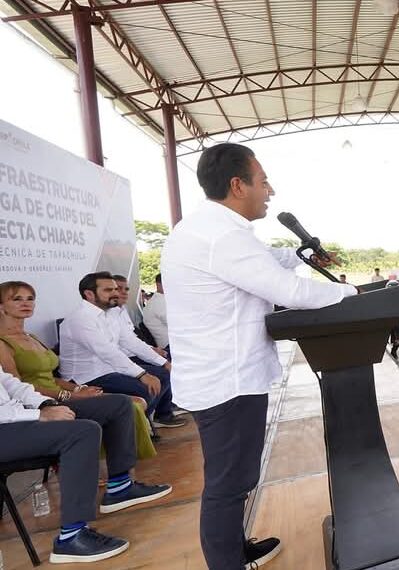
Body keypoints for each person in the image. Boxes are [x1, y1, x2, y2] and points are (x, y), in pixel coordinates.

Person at [161, 143, 358, 569]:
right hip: (227, 381)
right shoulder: (222, 236)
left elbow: (265, 261)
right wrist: (352, 293)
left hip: (222, 377)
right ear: (238, 185)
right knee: (228, 484)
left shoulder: (211, 229)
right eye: (263, 181)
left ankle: (235, 549)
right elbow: (289, 291)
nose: (270, 190)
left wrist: (302, 255)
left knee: (233, 478)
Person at [0, 371, 173, 564]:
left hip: (17, 415)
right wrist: (38, 415)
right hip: (6, 428)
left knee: (118, 404)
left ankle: (120, 487)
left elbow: (9, 383)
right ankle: (71, 537)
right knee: (83, 433)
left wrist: (45, 404)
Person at [0, 281, 156, 459]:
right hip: (41, 402)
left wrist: (78, 388)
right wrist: (71, 395)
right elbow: (17, 388)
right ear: (1, 306)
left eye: (30, 299)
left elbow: (49, 377)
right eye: (17, 299)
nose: (26, 303)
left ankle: (122, 466)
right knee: (130, 404)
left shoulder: (30, 336)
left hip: (62, 393)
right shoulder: (3, 342)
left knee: (136, 401)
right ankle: (116, 467)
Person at [59, 272, 185, 429]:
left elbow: (130, 341)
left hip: (108, 369)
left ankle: (144, 423)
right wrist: (142, 375)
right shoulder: (80, 319)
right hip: (86, 377)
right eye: (108, 290)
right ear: (89, 294)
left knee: (164, 374)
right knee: (145, 388)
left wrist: (164, 362)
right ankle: (139, 427)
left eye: (114, 289)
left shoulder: (109, 313)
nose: (115, 293)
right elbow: (107, 352)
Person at [142, 273, 169, 349]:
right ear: (158, 284)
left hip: (169, 343)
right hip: (169, 345)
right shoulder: (159, 302)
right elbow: (175, 324)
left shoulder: (157, 300)